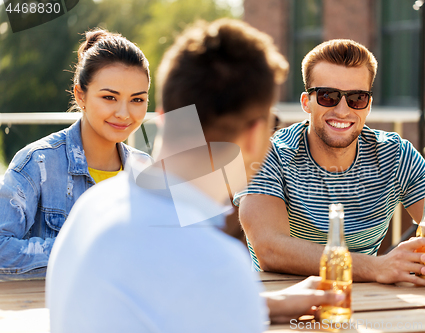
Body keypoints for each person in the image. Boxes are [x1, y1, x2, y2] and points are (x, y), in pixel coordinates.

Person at [46, 19, 344, 333]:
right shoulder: (213, 263)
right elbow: (193, 278)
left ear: (163, 115)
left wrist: (258, 304)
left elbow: (155, 296)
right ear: (256, 134)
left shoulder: (96, 205)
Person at [234, 39, 425, 287]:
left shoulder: (395, 155)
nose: (343, 110)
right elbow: (269, 249)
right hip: (282, 308)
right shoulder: (267, 155)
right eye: (328, 96)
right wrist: (376, 267)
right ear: (306, 103)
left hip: (368, 302)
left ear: (368, 106)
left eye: (356, 98)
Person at [0, 29, 151, 281]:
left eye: (137, 100)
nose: (124, 113)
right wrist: (83, 251)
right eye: (109, 97)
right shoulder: (38, 163)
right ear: (80, 95)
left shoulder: (146, 170)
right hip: (47, 316)